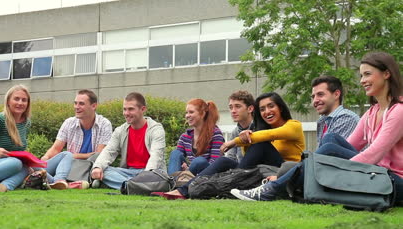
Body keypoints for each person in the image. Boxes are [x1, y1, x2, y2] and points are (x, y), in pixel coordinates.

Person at [232, 51, 403, 203]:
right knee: (330, 141)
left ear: (386, 74)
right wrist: (324, 165)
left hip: (393, 179)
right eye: (361, 76)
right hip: (377, 173)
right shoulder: (372, 113)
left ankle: (273, 188)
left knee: (326, 150)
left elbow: (373, 154)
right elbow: (347, 146)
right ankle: (281, 181)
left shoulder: (398, 111)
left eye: (367, 74)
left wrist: (331, 168)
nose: (362, 81)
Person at [154, 92, 304, 199]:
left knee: (259, 145)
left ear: (281, 108)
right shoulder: (260, 130)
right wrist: (244, 141)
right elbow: (249, 155)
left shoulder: (293, 126)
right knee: (224, 161)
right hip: (260, 171)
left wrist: (235, 141)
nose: (267, 112)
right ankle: (183, 190)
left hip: (286, 172)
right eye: (263, 109)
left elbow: (266, 137)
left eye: (271, 106)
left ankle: (221, 184)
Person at [90, 92, 166, 190]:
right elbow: (109, 151)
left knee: (157, 178)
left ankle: (128, 185)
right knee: (105, 171)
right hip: (128, 172)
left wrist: (145, 177)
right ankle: (134, 186)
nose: (126, 113)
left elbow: (156, 156)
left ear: (143, 109)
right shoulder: (120, 130)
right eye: (124, 109)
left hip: (151, 172)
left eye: (131, 109)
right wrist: (97, 167)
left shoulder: (156, 129)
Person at [41, 90, 112, 190]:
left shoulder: (104, 124)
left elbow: (100, 154)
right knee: (47, 165)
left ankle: (53, 181)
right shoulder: (69, 123)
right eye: (75, 103)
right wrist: (45, 159)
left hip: (91, 166)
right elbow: (56, 149)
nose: (76, 107)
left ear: (94, 106)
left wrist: (70, 156)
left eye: (81, 104)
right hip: (70, 166)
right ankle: (61, 182)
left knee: (96, 159)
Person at [167, 98, 224, 176]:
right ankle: (173, 182)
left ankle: (185, 179)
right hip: (190, 175)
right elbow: (178, 160)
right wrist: (185, 168)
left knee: (199, 161)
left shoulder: (215, 134)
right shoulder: (185, 137)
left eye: (191, 112)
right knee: (175, 153)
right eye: (186, 112)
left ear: (203, 114)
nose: (187, 116)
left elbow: (215, 164)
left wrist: (189, 169)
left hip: (208, 176)